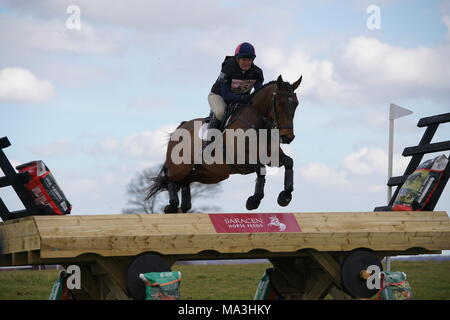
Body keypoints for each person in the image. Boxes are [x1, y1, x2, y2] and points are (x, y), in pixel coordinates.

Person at [206, 42, 264, 142]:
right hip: (218, 96)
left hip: (240, 100)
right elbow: (226, 96)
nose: (246, 63)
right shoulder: (227, 68)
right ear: (237, 59)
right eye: (244, 60)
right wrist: (244, 98)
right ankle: (208, 143)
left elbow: (259, 93)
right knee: (220, 112)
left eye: (249, 60)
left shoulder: (257, 73)